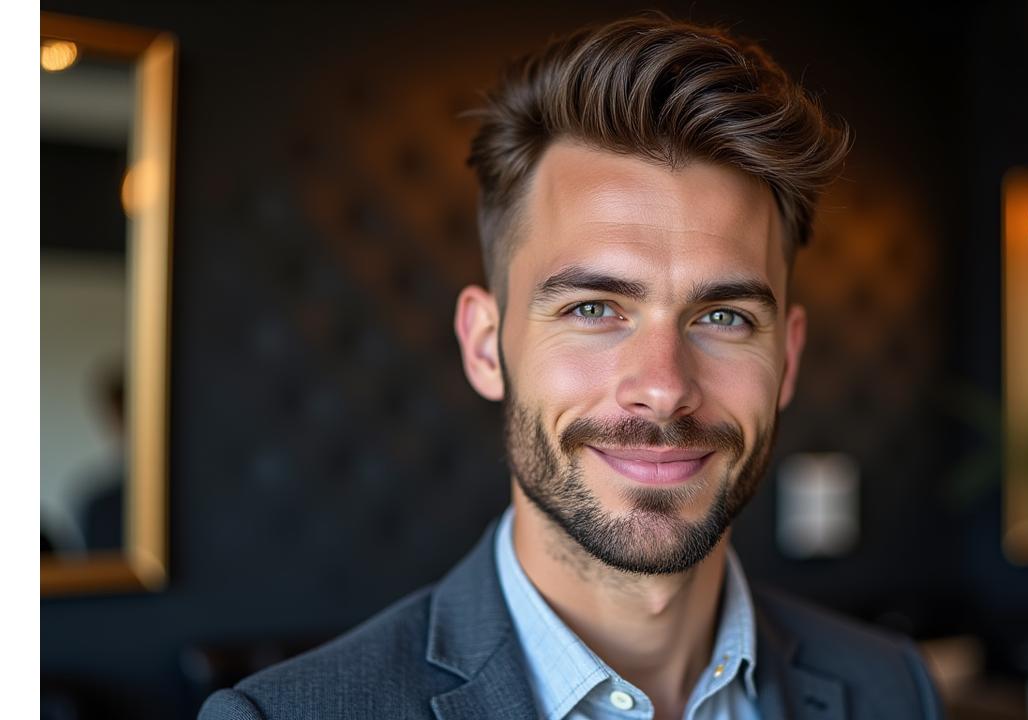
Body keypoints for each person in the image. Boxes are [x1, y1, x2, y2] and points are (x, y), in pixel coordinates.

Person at [201, 14, 941, 720]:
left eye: (724, 317)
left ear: (788, 359)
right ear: (486, 345)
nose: (663, 387)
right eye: (593, 308)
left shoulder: (893, 689)